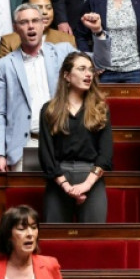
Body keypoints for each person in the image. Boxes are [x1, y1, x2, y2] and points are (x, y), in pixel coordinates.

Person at [0, 3, 77, 172]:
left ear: (43, 24)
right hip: (26, 145)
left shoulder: (63, 52)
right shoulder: (4, 66)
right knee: (25, 196)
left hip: (62, 142)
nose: (31, 26)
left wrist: (98, 33)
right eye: (24, 22)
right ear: (15, 28)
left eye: (35, 20)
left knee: (62, 196)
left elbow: (100, 63)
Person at [38, 52, 111, 222]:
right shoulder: (49, 110)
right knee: (55, 240)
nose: (88, 74)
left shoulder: (101, 109)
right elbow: (46, 155)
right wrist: (66, 186)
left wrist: (85, 186)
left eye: (91, 70)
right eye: (82, 69)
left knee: (94, 241)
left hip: (91, 177)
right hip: (58, 179)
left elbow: (106, 155)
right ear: (67, 76)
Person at [0, 205, 62, 279]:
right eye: (21, 229)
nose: (30, 234)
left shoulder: (50, 265)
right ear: (8, 235)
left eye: (34, 228)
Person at [0, 0, 76, 58]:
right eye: (39, 8)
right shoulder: (9, 41)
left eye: (49, 8)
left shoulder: (67, 40)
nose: (45, 12)